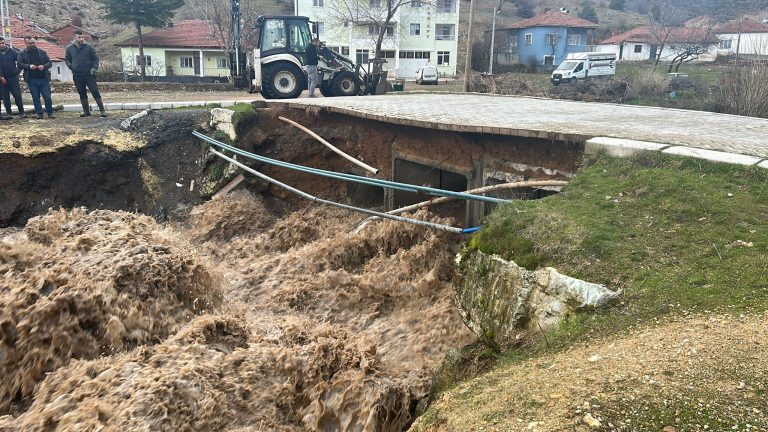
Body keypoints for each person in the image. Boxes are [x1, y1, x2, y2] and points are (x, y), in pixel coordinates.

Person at [65, 30, 106, 117]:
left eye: (82, 37)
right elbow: (67, 59)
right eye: (79, 37)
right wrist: (71, 66)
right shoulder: (69, 48)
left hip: (89, 74)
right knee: (82, 93)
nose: (81, 39)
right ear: (74, 38)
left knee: (95, 91)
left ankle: (102, 111)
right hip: (77, 75)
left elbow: (95, 59)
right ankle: (86, 111)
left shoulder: (89, 48)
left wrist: (94, 68)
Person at [18, 36, 54, 119]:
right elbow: (19, 64)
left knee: (47, 97)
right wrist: (28, 66)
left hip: (43, 78)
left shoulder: (42, 52)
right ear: (25, 43)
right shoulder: (22, 53)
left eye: (33, 42)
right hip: (31, 79)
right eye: (30, 43)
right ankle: (39, 113)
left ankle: (50, 113)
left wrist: (43, 66)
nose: (32, 44)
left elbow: (50, 63)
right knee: (35, 97)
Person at [0, 37, 25, 120]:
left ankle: (21, 112)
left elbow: (20, 62)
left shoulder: (12, 52)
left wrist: (16, 72)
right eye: (0, 44)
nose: (1, 45)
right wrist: (1, 77)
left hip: (13, 78)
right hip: (2, 80)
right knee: (5, 98)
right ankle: (9, 113)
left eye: (3, 43)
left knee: (17, 96)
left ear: (5, 43)